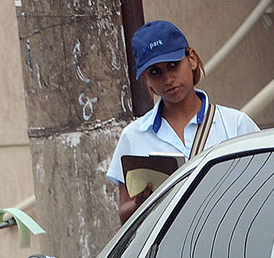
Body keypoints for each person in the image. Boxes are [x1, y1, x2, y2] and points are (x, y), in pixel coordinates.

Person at [106, 20, 260, 225]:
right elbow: (124, 215)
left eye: (173, 65)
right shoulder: (134, 135)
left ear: (192, 59)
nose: (168, 78)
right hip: (169, 249)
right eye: (155, 72)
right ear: (146, 79)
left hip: (231, 239)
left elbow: (263, 188)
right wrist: (142, 203)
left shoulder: (235, 124)